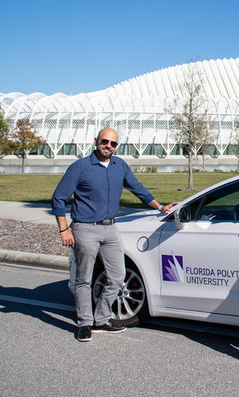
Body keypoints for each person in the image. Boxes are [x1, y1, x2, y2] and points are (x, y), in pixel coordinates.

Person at [52, 128, 176, 342]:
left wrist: (160, 207)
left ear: (117, 146)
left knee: (117, 276)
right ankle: (84, 323)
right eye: (105, 141)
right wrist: (64, 229)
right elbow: (58, 198)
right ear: (95, 142)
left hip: (110, 228)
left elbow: (138, 188)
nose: (108, 146)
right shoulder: (80, 167)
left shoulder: (120, 166)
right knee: (84, 278)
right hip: (84, 228)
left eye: (113, 143)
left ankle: (102, 319)